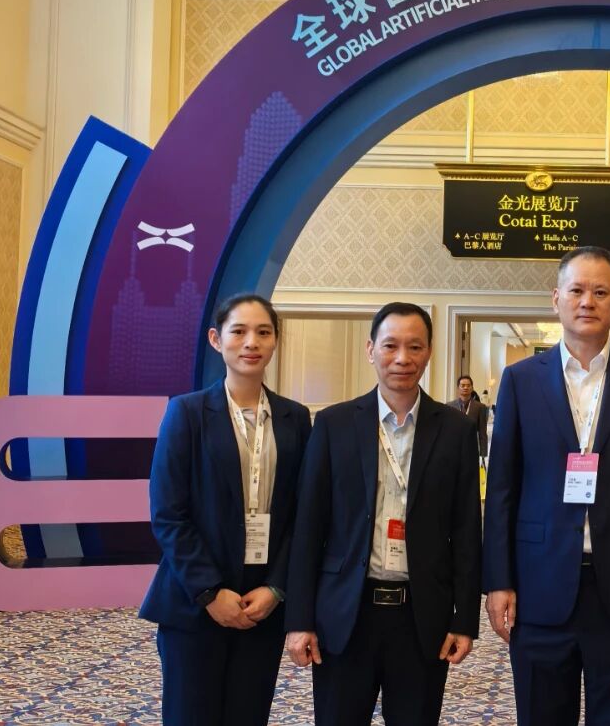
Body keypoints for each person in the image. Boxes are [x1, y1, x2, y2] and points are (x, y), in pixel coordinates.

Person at [482, 245, 610, 726]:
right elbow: (503, 488)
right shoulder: (520, 380)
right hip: (538, 583)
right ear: (556, 299)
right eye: (576, 290)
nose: (587, 302)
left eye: (600, 292)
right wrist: (498, 580)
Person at [285, 302, 481, 726]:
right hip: (345, 614)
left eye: (415, 347)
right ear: (370, 350)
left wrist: (465, 620)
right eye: (390, 346)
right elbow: (308, 527)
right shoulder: (333, 425)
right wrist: (299, 619)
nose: (402, 358)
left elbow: (467, 532)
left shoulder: (456, 430)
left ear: (429, 353)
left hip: (421, 618)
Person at [140, 294, 312, 726]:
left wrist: (277, 588)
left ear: (275, 341)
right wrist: (210, 592)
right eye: (239, 331)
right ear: (217, 340)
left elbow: (302, 515)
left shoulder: (295, 418)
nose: (251, 342)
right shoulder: (187, 412)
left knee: (248, 715)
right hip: (195, 602)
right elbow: (168, 513)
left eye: (263, 332)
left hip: (262, 605)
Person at [447, 374, 490, 462]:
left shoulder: (480, 407)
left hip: (472, 448)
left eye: (468, 385)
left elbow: (482, 432)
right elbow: (446, 430)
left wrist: (483, 454)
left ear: (472, 388)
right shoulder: (449, 406)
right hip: (453, 448)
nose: (465, 387)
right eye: (463, 385)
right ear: (458, 388)